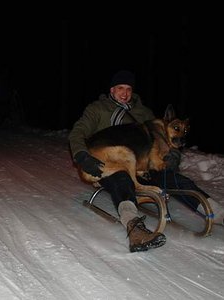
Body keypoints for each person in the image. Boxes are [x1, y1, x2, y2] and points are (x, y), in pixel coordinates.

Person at [69, 70, 224, 253]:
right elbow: (77, 133)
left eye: (128, 88)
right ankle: (135, 228)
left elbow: (162, 140)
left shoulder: (143, 112)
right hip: (106, 163)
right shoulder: (97, 109)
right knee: (122, 179)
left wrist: (173, 157)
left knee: (171, 176)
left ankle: (216, 211)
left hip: (142, 165)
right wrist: (82, 155)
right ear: (112, 90)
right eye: (120, 88)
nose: (125, 93)